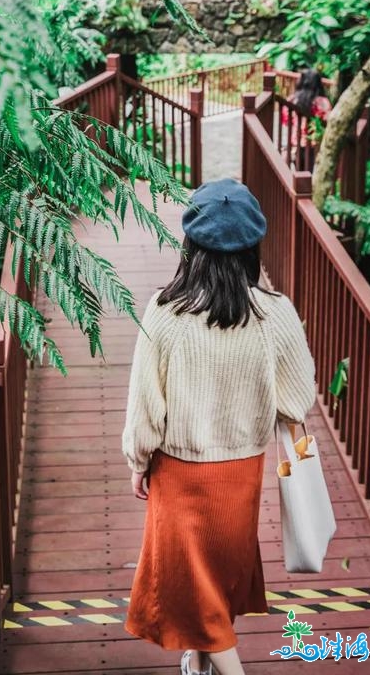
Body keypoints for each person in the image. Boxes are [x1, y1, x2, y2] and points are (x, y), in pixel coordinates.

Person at [122, 178, 317, 675]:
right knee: (215, 583)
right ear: (253, 247)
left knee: (195, 586)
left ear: (191, 246)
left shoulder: (165, 314)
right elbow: (297, 401)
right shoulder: (276, 315)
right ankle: (199, 661)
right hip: (242, 473)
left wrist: (137, 462)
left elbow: (146, 407)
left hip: (179, 472)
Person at [280, 68, 332, 171]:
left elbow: (286, 120)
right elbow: (328, 120)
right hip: (315, 145)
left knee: (299, 172)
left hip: (296, 144)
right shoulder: (322, 102)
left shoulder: (292, 100)